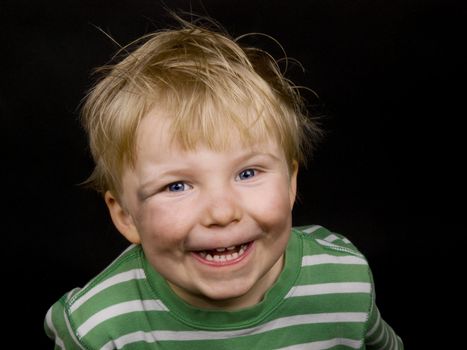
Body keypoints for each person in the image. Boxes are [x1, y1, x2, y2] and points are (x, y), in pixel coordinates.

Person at [44, 17, 403, 350]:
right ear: (126, 215)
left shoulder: (344, 280)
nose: (221, 212)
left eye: (247, 173)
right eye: (177, 186)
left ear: (291, 182)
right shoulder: (97, 327)